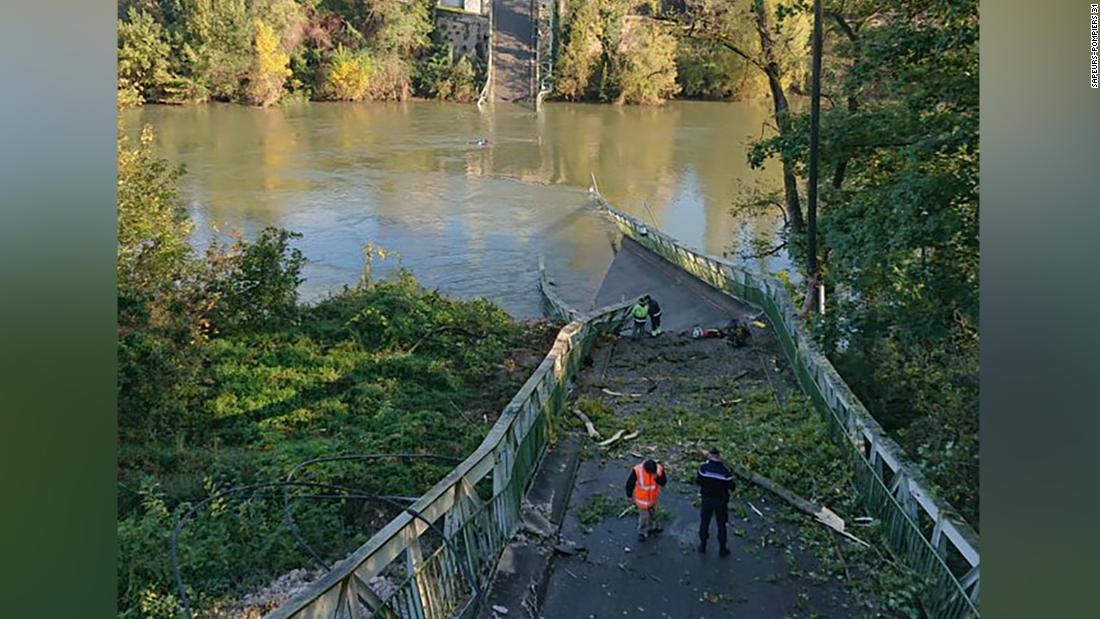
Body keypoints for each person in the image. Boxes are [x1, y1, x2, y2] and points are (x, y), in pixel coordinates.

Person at [695, 447, 735, 556]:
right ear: (719, 456)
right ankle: (722, 549)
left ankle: (702, 546)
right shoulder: (725, 471)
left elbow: (698, 481)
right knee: (721, 525)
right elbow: (732, 486)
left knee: (704, 522)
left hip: (707, 500)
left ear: (710, 455)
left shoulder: (703, 468)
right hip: (721, 501)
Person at [625, 459, 667, 541]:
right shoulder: (637, 471)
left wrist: (658, 479)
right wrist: (629, 495)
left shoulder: (659, 470)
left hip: (653, 499)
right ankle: (642, 532)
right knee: (644, 517)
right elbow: (630, 484)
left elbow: (663, 482)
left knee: (653, 514)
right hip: (642, 501)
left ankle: (653, 527)